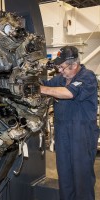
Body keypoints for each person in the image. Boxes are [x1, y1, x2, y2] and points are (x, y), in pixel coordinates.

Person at [40, 46, 99, 200]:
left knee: (82, 178)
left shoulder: (87, 77)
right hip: (62, 133)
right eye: (58, 67)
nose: (60, 70)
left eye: (62, 67)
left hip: (82, 134)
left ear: (74, 65)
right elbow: (44, 83)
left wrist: (41, 89)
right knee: (65, 176)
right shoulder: (60, 79)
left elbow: (69, 93)